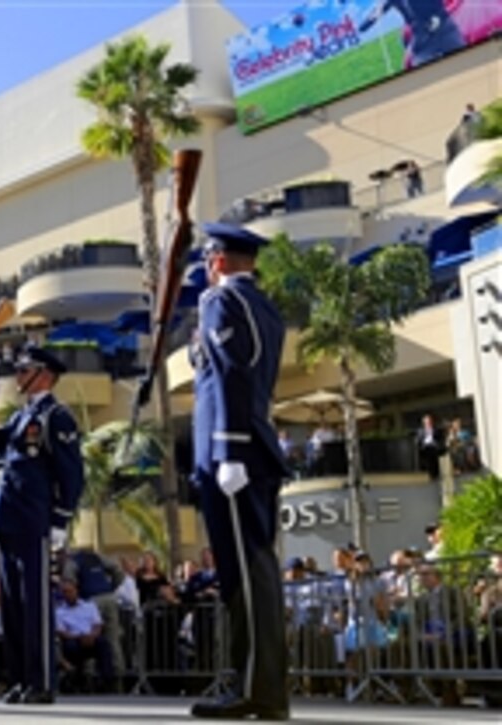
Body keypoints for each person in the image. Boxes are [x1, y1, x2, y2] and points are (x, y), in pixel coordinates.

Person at [188, 223, 290, 720]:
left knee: (245, 575)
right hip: (254, 446)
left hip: (235, 450)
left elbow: (232, 370)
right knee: (258, 570)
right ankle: (261, 688)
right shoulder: (264, 306)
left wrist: (227, 449)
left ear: (219, 260)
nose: (207, 268)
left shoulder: (220, 302)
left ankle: (254, 688)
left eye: (209, 259)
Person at [0, 345, 85, 705]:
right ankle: (21, 678)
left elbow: (71, 474)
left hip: (35, 519)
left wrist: (60, 519)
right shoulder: (25, 415)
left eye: (25, 370)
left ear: (44, 375)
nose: (18, 376)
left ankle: (41, 681)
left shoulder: (56, 417)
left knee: (35, 603)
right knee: (13, 604)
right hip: (8, 516)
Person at [358, 0, 465, 68]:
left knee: (464, 60)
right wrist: (367, 23)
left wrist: (436, 16)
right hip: (422, 41)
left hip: (444, 29)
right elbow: (372, 17)